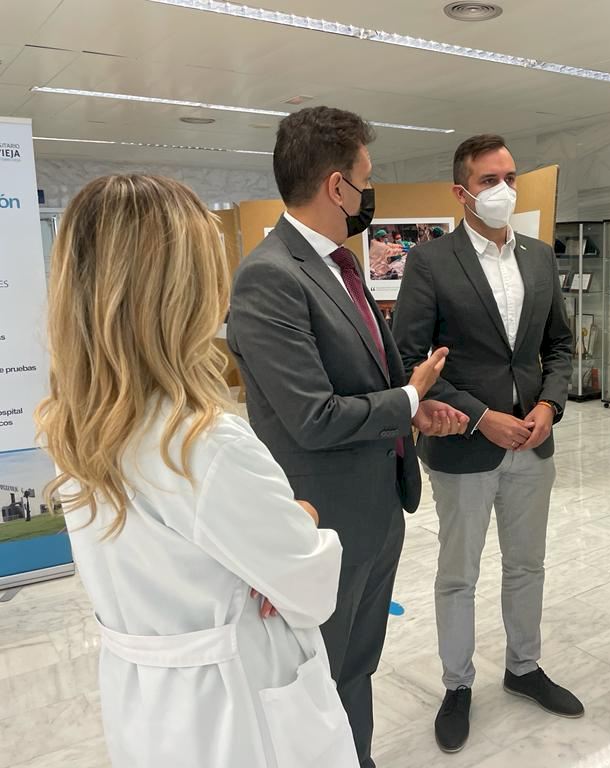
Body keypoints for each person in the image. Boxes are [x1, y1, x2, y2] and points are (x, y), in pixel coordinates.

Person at [36, 174, 358, 767]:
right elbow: (309, 586)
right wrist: (302, 518)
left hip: (147, 703)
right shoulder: (202, 444)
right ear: (183, 290)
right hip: (239, 708)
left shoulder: (72, 427)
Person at [227, 107, 468, 768]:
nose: (370, 191)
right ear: (338, 186)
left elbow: (365, 380)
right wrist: (409, 397)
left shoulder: (340, 265)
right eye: (367, 177)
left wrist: (411, 413)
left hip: (377, 507)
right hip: (324, 519)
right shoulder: (270, 277)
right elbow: (312, 416)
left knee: (356, 667)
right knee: (320, 678)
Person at [392, 134, 579, 754]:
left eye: (510, 177)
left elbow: (558, 346)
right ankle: (457, 684)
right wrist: (480, 417)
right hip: (464, 446)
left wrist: (549, 405)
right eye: (489, 180)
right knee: (459, 574)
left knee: (527, 565)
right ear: (461, 191)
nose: (503, 190)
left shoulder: (539, 257)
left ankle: (524, 667)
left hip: (533, 442)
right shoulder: (430, 262)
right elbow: (412, 359)